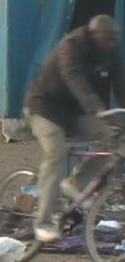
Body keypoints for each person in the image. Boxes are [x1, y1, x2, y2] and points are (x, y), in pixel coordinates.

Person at [23, 15, 125, 243]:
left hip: (75, 114)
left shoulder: (110, 50)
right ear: (93, 35)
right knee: (56, 153)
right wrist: (96, 107)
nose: (112, 43)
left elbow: (121, 81)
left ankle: (75, 184)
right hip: (44, 108)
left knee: (116, 137)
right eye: (108, 39)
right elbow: (74, 77)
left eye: (115, 39)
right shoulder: (72, 46)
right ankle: (43, 223)